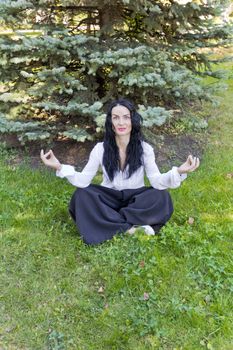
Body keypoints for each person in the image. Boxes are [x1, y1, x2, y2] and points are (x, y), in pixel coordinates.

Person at [40, 98, 200, 245]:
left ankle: (108, 221)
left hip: (135, 198)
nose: (121, 122)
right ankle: (131, 229)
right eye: (116, 117)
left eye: (126, 117)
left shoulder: (145, 149)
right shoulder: (100, 149)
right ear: (111, 123)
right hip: (110, 197)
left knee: (162, 196)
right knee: (81, 195)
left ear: (133, 120)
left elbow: (157, 182)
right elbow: (83, 181)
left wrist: (179, 171)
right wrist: (59, 167)